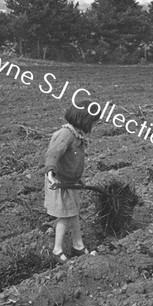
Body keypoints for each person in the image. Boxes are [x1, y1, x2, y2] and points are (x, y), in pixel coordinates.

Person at [44, 100, 100, 262]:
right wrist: (50, 175)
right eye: (92, 122)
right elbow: (52, 155)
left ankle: (78, 246)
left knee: (74, 214)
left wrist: (78, 179)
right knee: (64, 216)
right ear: (85, 120)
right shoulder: (66, 135)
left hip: (71, 182)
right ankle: (57, 249)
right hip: (59, 183)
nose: (93, 126)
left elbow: (72, 162)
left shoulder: (77, 135)